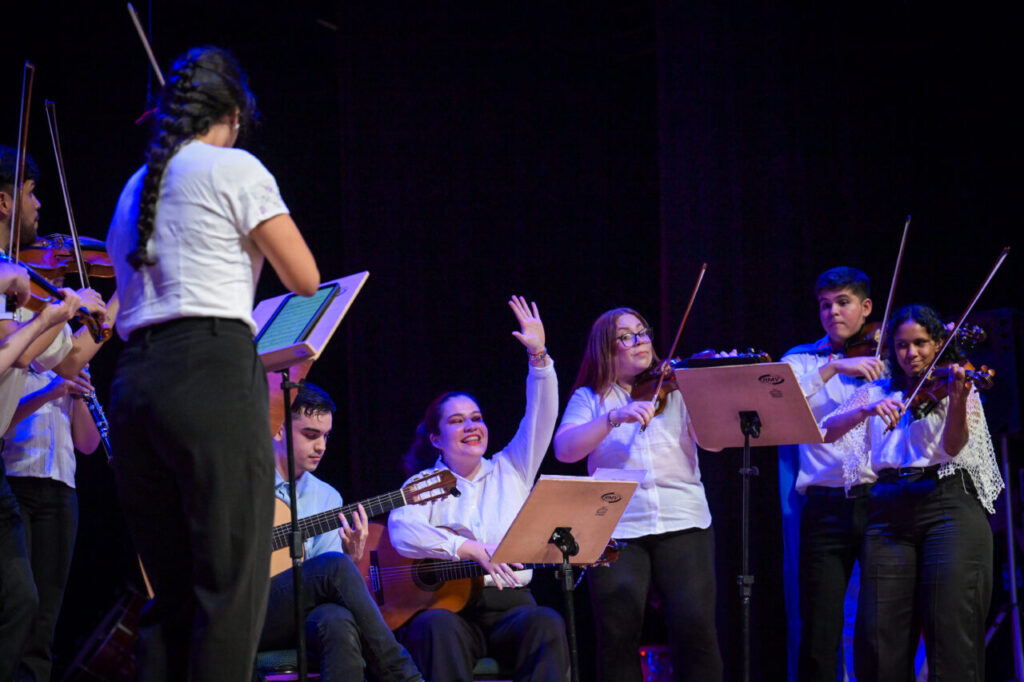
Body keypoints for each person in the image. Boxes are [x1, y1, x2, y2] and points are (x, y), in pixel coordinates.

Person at [105, 46, 319, 681]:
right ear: (230, 113)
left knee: (170, 596)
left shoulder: (132, 187)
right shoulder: (235, 169)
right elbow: (305, 277)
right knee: (230, 586)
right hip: (211, 375)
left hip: (135, 384)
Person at [388, 296, 569, 682]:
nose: (472, 426)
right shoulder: (420, 485)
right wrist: (465, 547)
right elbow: (402, 531)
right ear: (436, 438)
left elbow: (543, 414)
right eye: (457, 421)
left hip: (512, 608)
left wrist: (539, 357)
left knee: (547, 621)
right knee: (431, 627)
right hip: (451, 609)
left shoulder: (513, 466)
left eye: (476, 418)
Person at [822, 304, 1002, 681]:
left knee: (951, 631)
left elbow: (953, 447)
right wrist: (867, 410)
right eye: (902, 345)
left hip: (948, 504)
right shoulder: (878, 389)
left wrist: (956, 397)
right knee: (878, 635)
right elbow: (828, 429)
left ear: (938, 344)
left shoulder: (956, 385)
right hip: (888, 510)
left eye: (921, 343)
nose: (912, 354)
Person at [553, 307, 722, 682]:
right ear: (606, 350)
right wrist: (614, 417)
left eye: (642, 332)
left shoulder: (676, 386)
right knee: (617, 635)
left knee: (695, 631)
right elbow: (565, 449)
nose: (639, 340)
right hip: (617, 529)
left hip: (684, 520)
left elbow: (714, 445)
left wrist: (710, 397)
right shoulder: (591, 397)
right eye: (626, 336)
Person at [258, 380, 422, 681]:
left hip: (294, 614)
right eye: (310, 435)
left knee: (337, 618)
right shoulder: (245, 481)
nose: (321, 446)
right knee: (334, 568)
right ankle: (404, 676)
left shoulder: (327, 497)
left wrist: (351, 557)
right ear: (279, 428)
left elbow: (325, 583)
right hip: (246, 609)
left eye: (325, 436)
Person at [778, 266, 885, 681]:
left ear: (866, 307)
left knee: (880, 623)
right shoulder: (801, 359)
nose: (833, 312)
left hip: (880, 501)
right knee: (819, 627)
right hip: (824, 505)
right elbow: (783, 403)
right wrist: (834, 369)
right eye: (825, 305)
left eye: (843, 303)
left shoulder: (886, 353)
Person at [2, 367, 100, 682]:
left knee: (46, 616)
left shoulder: (71, 368)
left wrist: (81, 398)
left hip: (61, 491)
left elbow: (87, 444)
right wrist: (51, 391)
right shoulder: (17, 359)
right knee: (17, 602)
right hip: (17, 483)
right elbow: (3, 422)